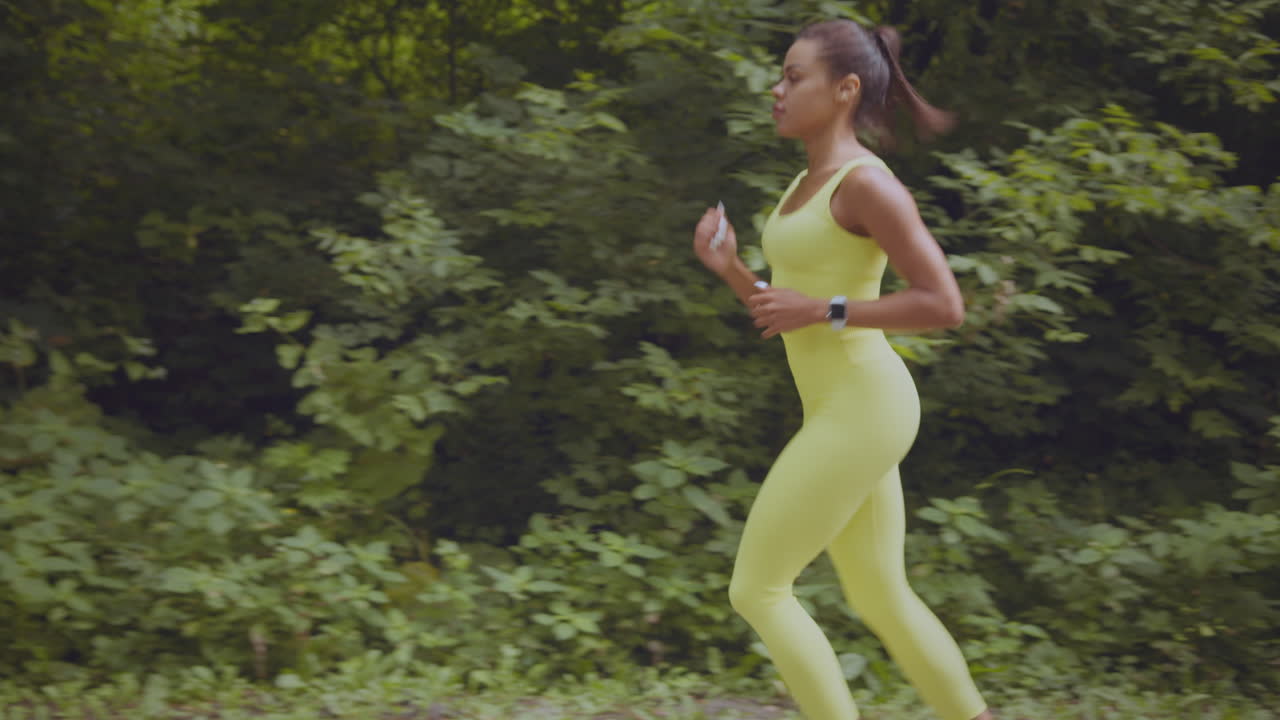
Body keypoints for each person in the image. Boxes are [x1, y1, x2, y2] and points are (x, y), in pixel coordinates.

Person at [691, 19, 994, 720]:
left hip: (865, 405)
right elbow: (784, 311)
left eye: (794, 77)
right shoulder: (806, 181)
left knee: (757, 589)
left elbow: (943, 303)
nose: (777, 89)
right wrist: (731, 267)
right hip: (842, 407)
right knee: (879, 592)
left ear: (846, 89)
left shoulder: (867, 186)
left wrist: (827, 310)